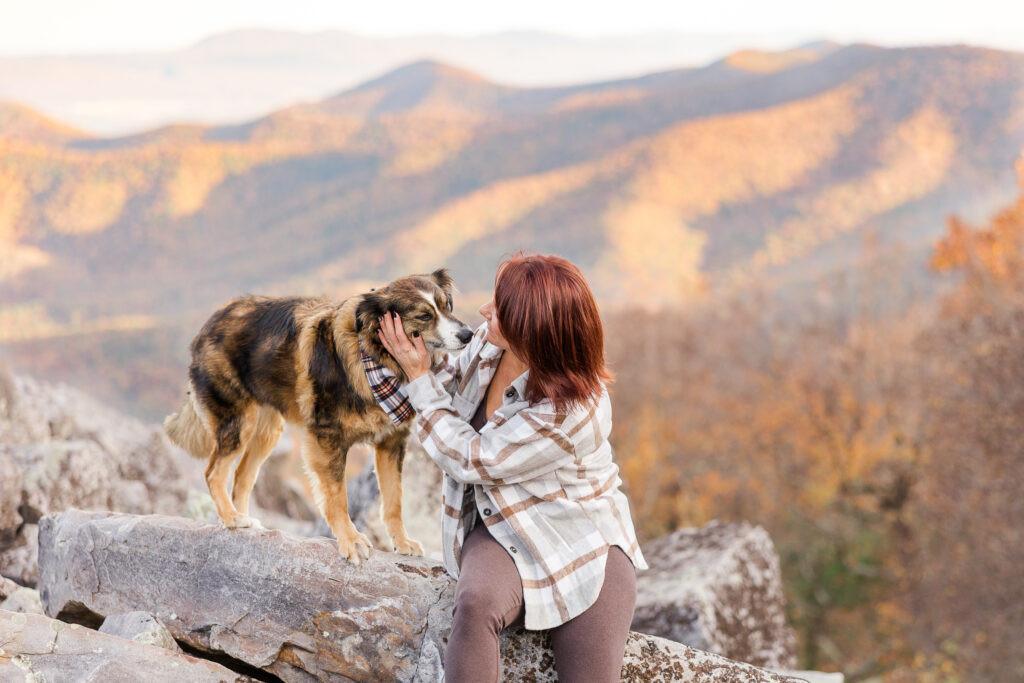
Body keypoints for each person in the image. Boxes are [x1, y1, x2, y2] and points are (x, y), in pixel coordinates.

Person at [378, 253, 648, 682]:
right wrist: (392, 337)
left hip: (584, 542)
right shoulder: (490, 342)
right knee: (475, 603)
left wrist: (418, 381)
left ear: (532, 333)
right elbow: (446, 374)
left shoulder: (573, 413)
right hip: (503, 524)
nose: (486, 311)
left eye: (499, 309)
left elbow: (471, 458)